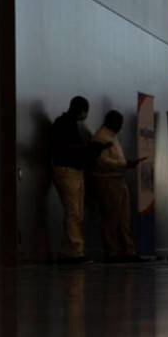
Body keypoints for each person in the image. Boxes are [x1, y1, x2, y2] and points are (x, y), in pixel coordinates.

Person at [50, 96, 105, 265]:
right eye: (85, 111)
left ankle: (68, 251)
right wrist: (91, 150)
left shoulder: (65, 123)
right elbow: (67, 150)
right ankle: (74, 251)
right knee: (74, 213)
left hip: (72, 171)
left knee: (76, 213)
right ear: (81, 110)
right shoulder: (66, 125)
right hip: (68, 171)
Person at [90, 110, 145, 262]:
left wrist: (124, 164)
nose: (121, 127)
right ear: (112, 122)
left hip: (118, 179)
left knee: (123, 219)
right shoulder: (101, 138)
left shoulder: (111, 136)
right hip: (108, 181)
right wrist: (125, 164)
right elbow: (102, 162)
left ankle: (127, 251)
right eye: (119, 123)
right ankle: (112, 251)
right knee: (111, 218)